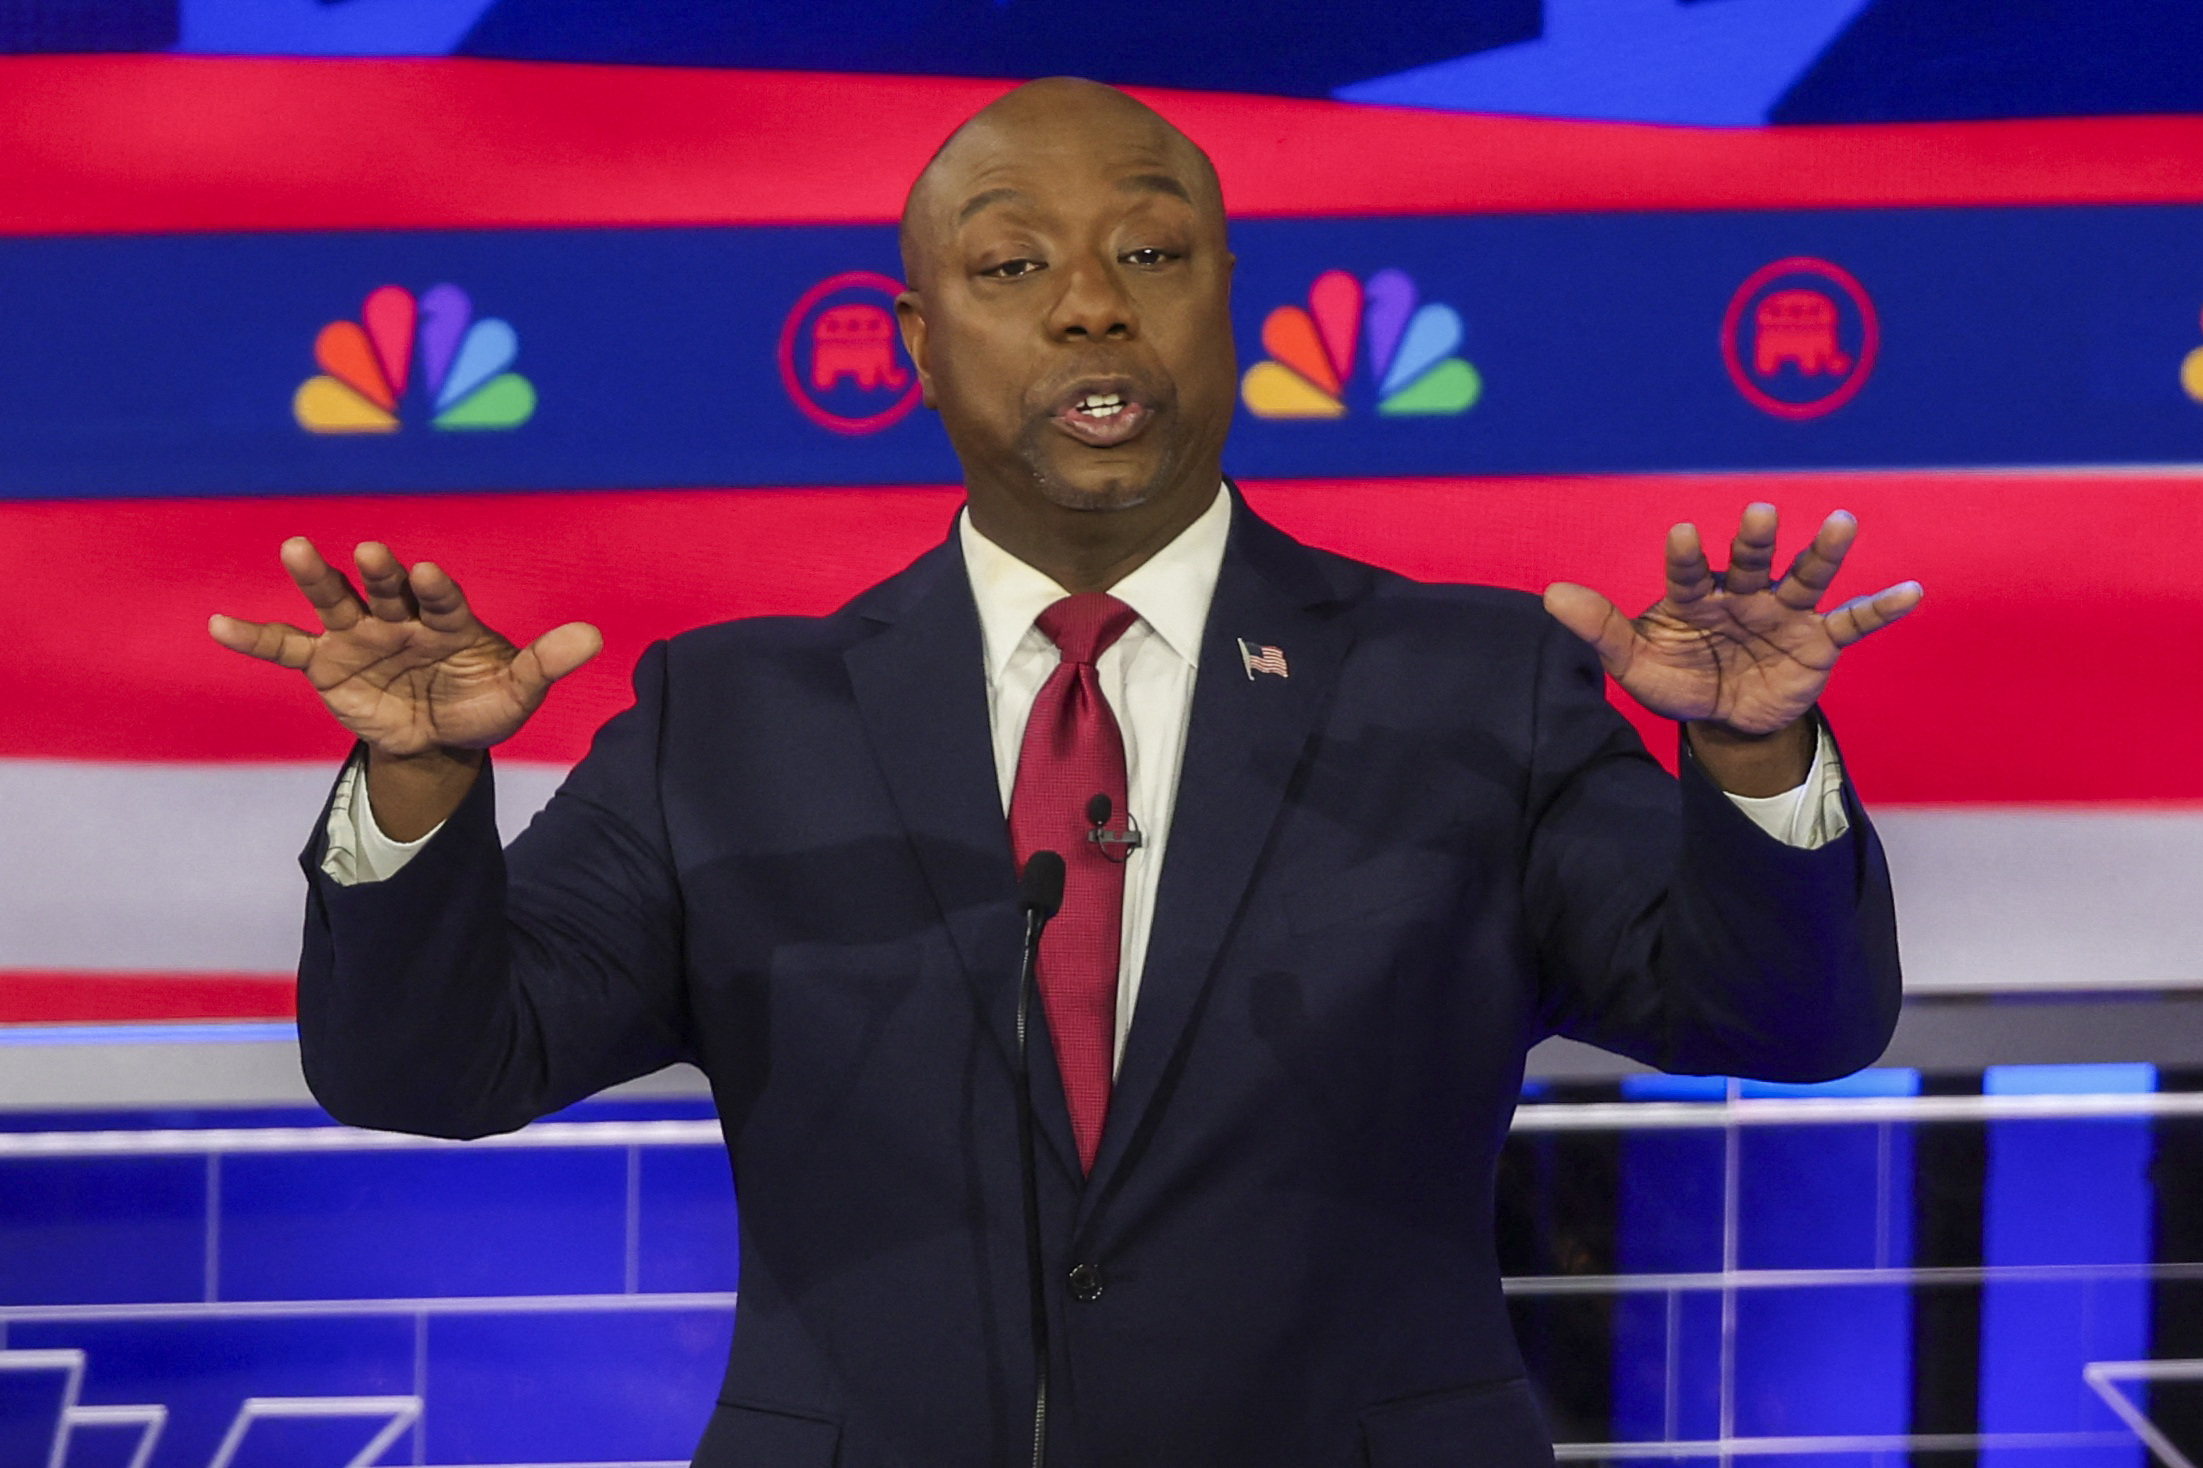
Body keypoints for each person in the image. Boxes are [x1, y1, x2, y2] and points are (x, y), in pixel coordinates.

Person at [211, 79, 1917, 1468]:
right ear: (915, 340)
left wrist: (1752, 755)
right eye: (1014, 267)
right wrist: (424, 795)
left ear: (1228, 303)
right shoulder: (727, 722)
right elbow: (429, 1072)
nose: (1093, 300)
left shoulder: (1469, 683)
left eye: (1153, 253)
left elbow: (1788, 1022)